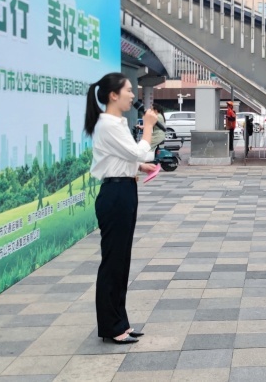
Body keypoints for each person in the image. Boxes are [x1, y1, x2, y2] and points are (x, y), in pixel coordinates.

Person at [84, 73, 158, 344]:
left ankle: (120, 323)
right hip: (116, 194)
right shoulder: (108, 124)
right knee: (113, 262)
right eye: (128, 90)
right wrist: (148, 127)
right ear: (113, 95)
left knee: (121, 260)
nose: (132, 95)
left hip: (124, 190)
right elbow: (139, 151)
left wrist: (139, 166)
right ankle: (112, 327)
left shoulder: (115, 122)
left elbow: (124, 156)